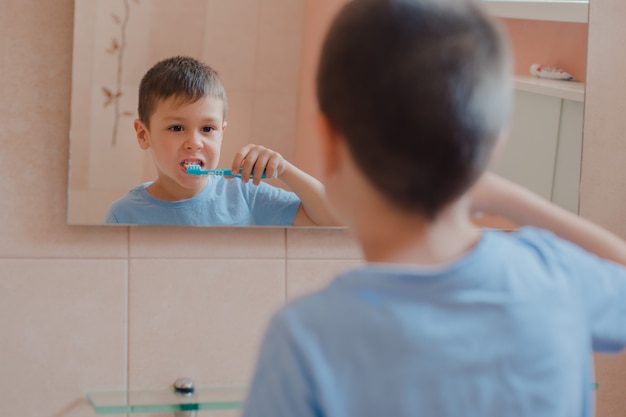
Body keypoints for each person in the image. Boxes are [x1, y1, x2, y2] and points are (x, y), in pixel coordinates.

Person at [242, 0, 626, 416]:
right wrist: (503, 195)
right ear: (496, 142)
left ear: (329, 141)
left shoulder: (307, 340)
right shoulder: (556, 278)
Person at [105, 56, 338, 226]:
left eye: (208, 128)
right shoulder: (124, 215)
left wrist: (285, 170)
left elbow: (337, 219)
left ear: (222, 132)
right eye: (177, 128)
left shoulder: (246, 196)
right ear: (143, 134)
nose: (194, 142)